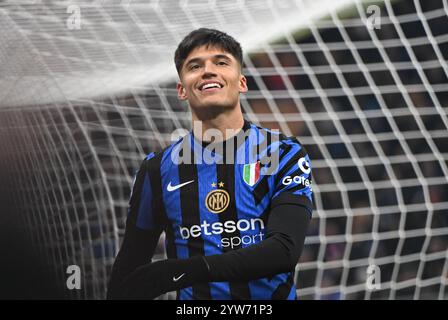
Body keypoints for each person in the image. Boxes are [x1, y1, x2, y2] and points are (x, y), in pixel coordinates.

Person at [107, 28, 313, 300]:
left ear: (241, 82)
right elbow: (129, 268)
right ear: (182, 90)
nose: (208, 71)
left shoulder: (283, 153)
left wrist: (186, 270)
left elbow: (284, 250)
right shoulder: (157, 169)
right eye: (195, 66)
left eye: (221, 62)